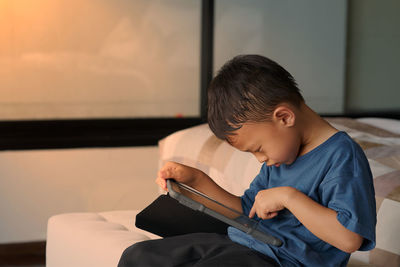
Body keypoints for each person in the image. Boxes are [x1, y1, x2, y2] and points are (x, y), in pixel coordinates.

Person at [118, 55, 376, 267]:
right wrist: (196, 181)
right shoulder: (280, 157)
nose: (261, 159)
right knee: (138, 256)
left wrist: (289, 198)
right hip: (242, 242)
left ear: (284, 117)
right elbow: (245, 211)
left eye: (259, 149)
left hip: (282, 261)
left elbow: (349, 238)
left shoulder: (342, 156)